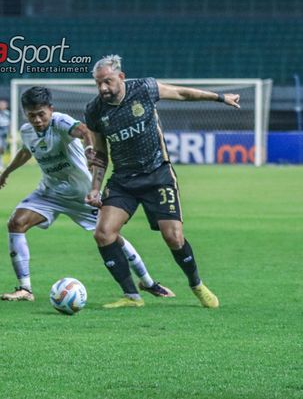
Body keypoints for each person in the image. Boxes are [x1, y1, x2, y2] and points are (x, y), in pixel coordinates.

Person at [84, 55, 240, 308]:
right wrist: (94, 188)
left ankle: (197, 285)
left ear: (121, 77)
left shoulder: (144, 89)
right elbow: (100, 153)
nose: (103, 88)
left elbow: (181, 93)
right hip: (124, 179)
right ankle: (132, 296)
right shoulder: (95, 111)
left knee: (174, 238)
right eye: (98, 84)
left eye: (108, 82)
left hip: (158, 175)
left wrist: (220, 97)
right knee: (103, 233)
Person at [0, 86, 174, 302]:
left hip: (83, 195)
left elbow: (86, 131)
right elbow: (26, 151)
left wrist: (90, 151)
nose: (38, 120)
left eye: (41, 114)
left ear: (50, 109)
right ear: (25, 114)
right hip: (50, 193)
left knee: (111, 236)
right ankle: (25, 289)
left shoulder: (60, 122)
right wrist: (6, 172)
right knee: (16, 223)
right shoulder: (27, 131)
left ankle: (148, 282)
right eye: (32, 116)